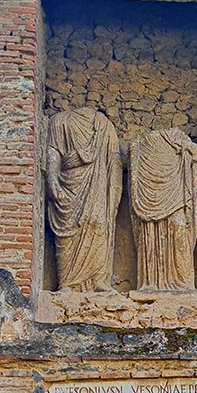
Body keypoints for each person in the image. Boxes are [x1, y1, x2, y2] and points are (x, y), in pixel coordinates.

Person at [45, 107, 122, 291]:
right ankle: (66, 283)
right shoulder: (60, 121)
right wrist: (52, 180)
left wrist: (115, 189)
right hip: (69, 183)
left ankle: (98, 281)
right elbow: (53, 152)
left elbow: (115, 158)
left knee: (98, 225)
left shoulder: (104, 125)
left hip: (98, 185)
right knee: (67, 229)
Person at [128, 127, 197, 293]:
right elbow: (131, 156)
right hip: (149, 194)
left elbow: (196, 151)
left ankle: (184, 283)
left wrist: (185, 146)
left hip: (175, 194)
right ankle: (150, 283)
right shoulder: (141, 142)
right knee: (150, 234)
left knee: (179, 228)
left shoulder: (178, 135)